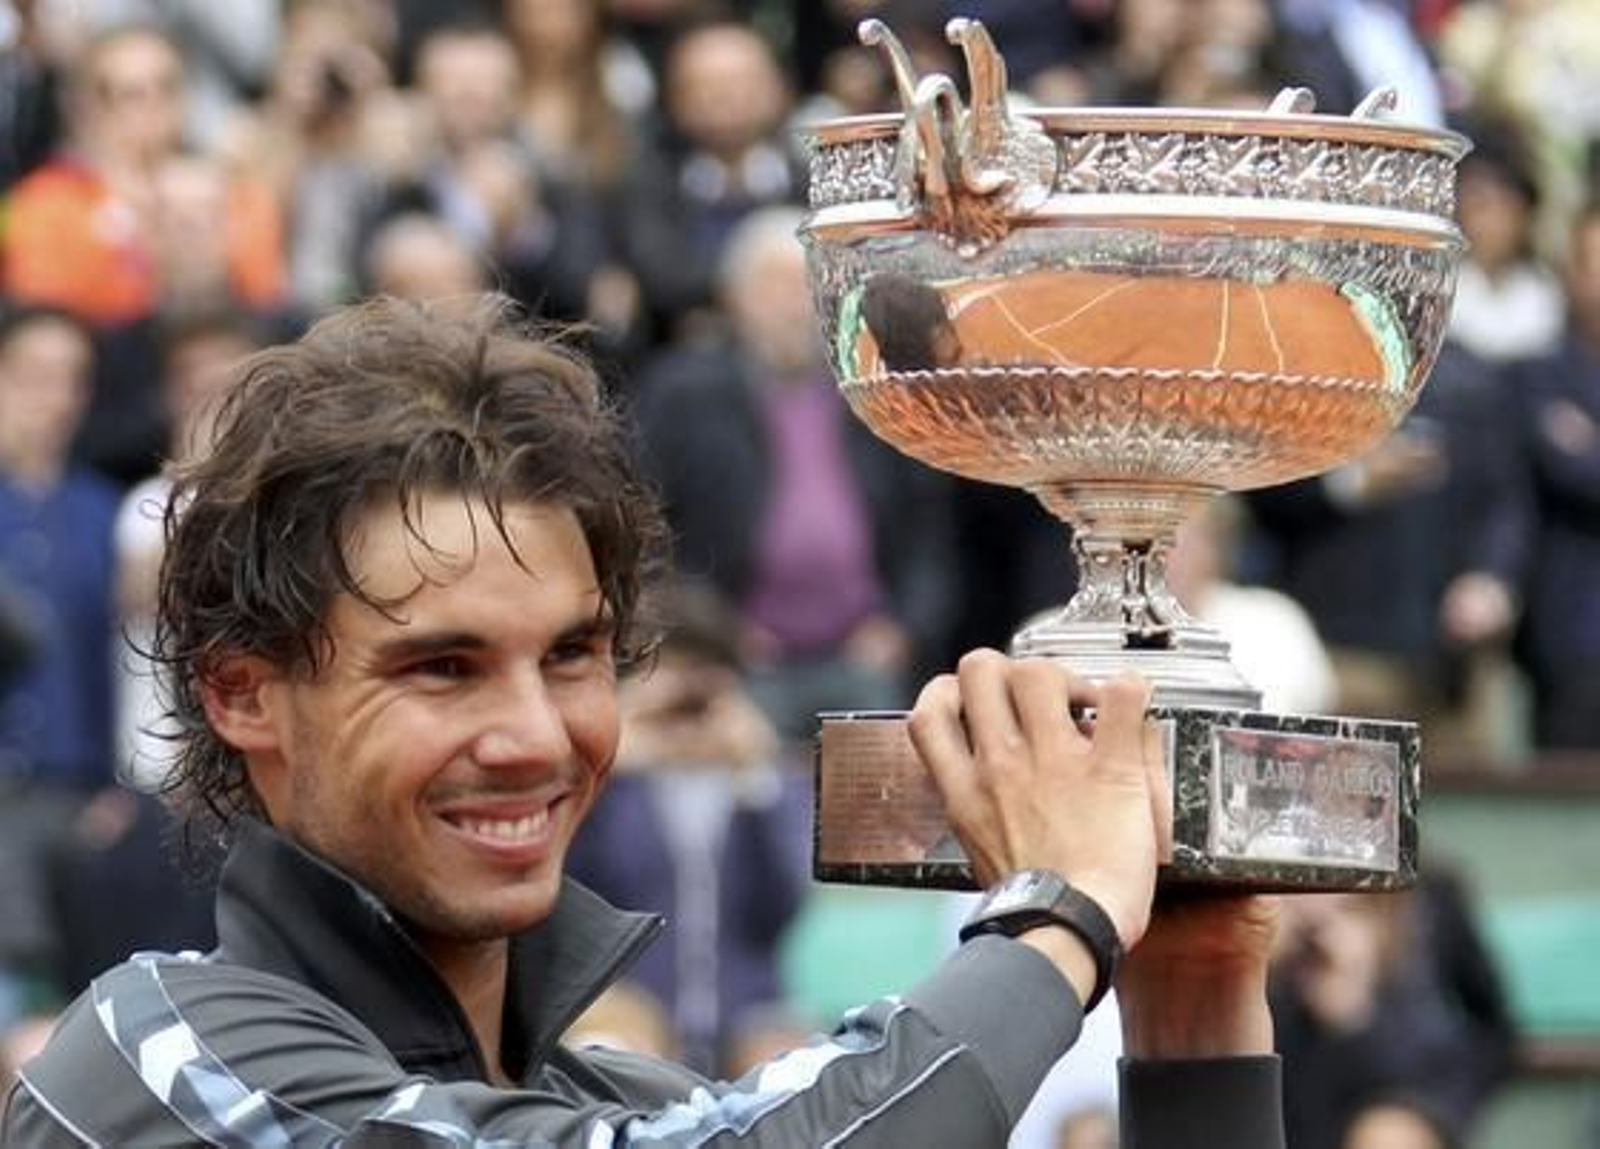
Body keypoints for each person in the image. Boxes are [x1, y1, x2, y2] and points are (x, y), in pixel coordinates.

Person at [2, 294, 1285, 1146]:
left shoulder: (622, 1103)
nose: (534, 735)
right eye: (441, 668)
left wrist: (1192, 1011)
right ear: (242, 691)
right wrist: (1058, 913)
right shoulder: (161, 1058)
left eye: (573, 656)